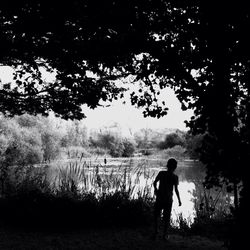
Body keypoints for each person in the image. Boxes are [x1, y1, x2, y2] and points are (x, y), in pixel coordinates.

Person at [153, 158, 182, 240]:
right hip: (168, 199)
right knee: (167, 217)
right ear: (175, 167)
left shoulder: (161, 173)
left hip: (160, 198)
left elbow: (154, 182)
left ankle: (156, 232)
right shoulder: (175, 177)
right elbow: (176, 190)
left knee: (156, 216)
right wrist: (179, 200)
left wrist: (156, 190)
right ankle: (165, 235)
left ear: (167, 165)